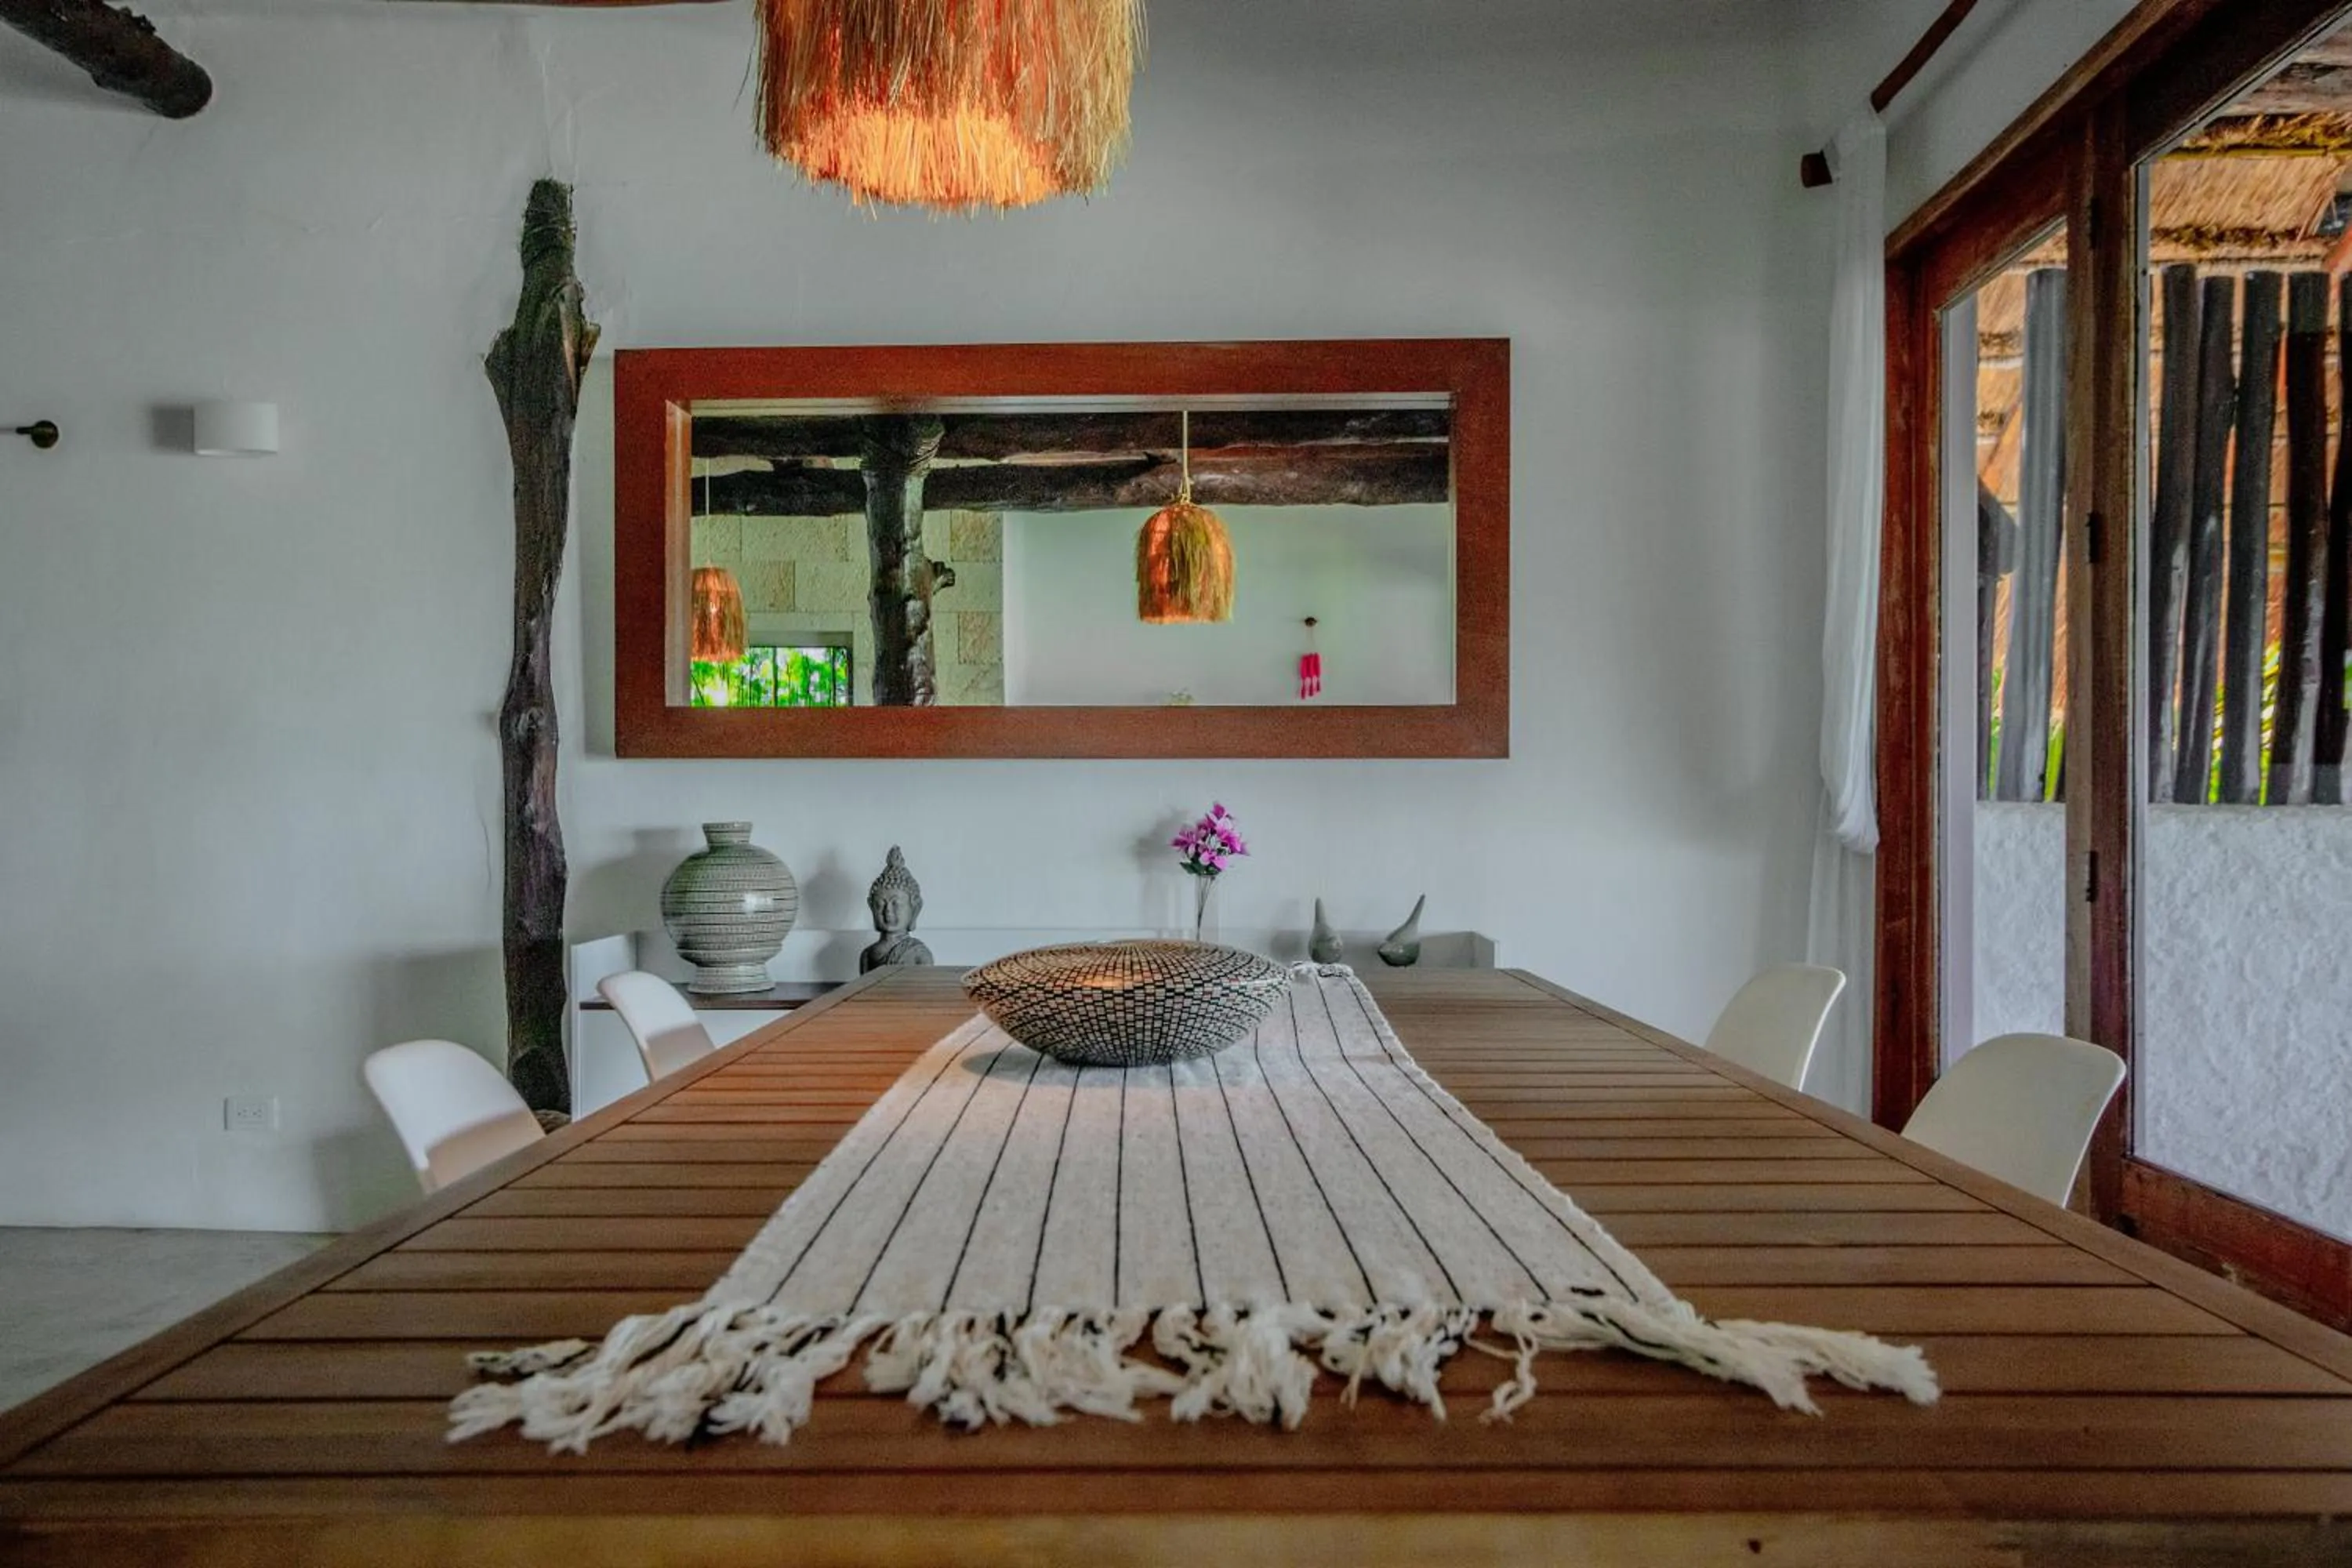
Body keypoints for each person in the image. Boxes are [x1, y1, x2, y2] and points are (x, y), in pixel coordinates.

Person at [860, 845, 935, 973]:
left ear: (915, 909)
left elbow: (925, 991)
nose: (888, 910)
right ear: (872, 907)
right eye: (880, 904)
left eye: (896, 904)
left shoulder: (919, 954)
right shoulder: (868, 955)